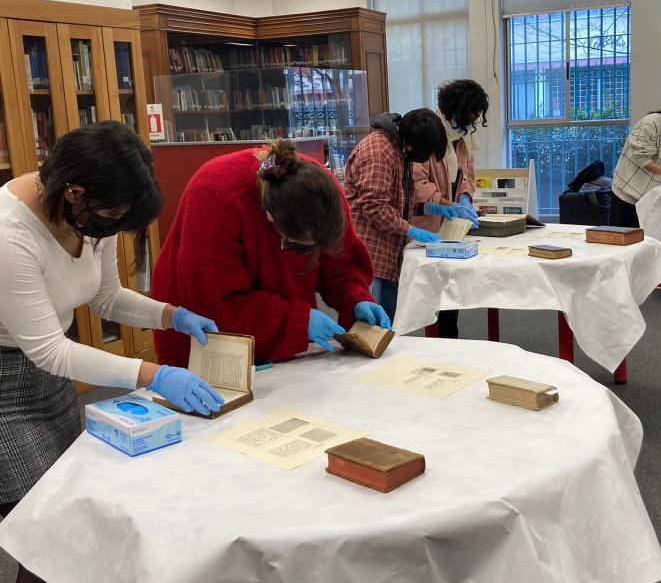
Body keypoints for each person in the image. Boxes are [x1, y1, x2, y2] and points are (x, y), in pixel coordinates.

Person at [0, 122, 223, 583]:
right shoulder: (10, 235)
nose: (113, 230)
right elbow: (49, 350)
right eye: (113, 216)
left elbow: (105, 298)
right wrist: (153, 375)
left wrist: (172, 315)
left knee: (69, 520)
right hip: (7, 386)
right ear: (75, 192)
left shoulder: (89, 213)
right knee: (37, 535)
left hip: (53, 377)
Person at [151, 140, 389, 368]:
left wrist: (355, 298)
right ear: (270, 218)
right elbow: (218, 304)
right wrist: (294, 321)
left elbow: (341, 263)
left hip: (273, 320)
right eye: (301, 249)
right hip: (202, 321)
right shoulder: (216, 195)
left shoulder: (324, 195)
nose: (311, 254)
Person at [344, 109, 449, 320]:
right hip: (369, 254)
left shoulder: (398, 149)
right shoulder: (379, 152)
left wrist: (428, 208)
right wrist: (411, 229)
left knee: (388, 323)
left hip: (387, 255)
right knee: (370, 328)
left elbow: (398, 200)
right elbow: (375, 207)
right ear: (415, 144)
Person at [411, 80, 488, 338]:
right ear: (454, 112)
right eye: (471, 117)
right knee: (430, 294)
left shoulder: (463, 138)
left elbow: (467, 174)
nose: (473, 123)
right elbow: (417, 184)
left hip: (450, 226)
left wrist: (465, 197)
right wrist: (448, 204)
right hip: (426, 224)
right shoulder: (429, 133)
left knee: (450, 293)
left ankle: (448, 339)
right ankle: (435, 346)